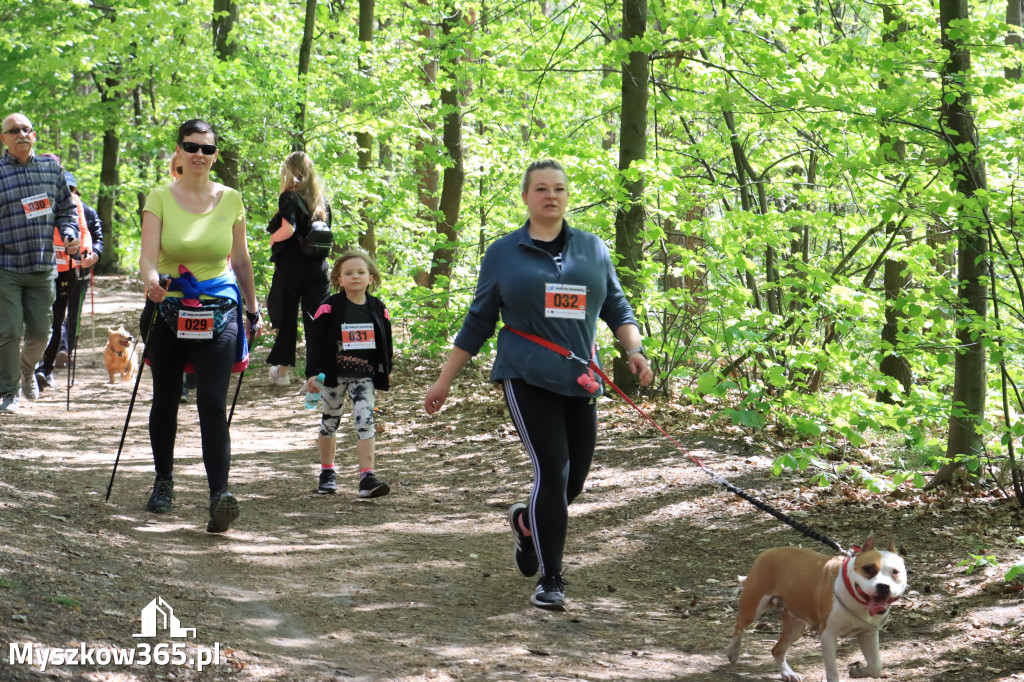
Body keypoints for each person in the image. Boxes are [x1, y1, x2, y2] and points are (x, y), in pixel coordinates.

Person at [424, 160, 653, 611]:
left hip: (581, 376)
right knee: (553, 470)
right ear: (526, 197)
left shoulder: (593, 248)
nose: (552, 196)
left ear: (568, 197)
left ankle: (527, 522)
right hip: (525, 373)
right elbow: (479, 322)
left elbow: (618, 308)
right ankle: (552, 579)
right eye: (542, 189)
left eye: (560, 189)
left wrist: (634, 350)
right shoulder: (503, 253)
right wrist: (444, 381)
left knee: (575, 479)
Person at [139, 118, 262, 533]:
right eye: (191, 146)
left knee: (212, 402)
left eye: (207, 149)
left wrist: (253, 309)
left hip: (220, 309)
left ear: (215, 156)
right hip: (169, 307)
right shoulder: (159, 197)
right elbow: (148, 256)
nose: (199, 155)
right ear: (179, 150)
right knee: (166, 398)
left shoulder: (231, 199)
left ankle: (219, 496)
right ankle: (163, 483)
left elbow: (241, 260)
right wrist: (151, 282)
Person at [0, 113, 80, 413]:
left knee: (41, 333)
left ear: (34, 135)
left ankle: (25, 369)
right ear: (3, 139)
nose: (21, 134)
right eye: (14, 131)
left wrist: (70, 234)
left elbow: (66, 211)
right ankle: (8, 392)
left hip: (43, 266)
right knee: (9, 332)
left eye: (26, 129)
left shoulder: (51, 169)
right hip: (6, 266)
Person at [304, 249, 392, 498]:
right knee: (330, 420)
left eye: (361, 272)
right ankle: (327, 472)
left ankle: (367, 477)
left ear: (371, 278)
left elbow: (387, 343)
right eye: (349, 273)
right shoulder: (329, 307)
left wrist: (387, 370)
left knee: (366, 420)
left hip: (363, 376)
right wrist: (312, 373)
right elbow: (315, 342)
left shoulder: (378, 308)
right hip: (332, 376)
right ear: (339, 280)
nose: (355, 277)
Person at [265, 151, 331, 386]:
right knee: (317, 319)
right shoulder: (322, 203)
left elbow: (289, 229)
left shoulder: (289, 198)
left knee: (287, 317)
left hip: (291, 270)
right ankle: (316, 374)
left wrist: (273, 239)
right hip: (318, 270)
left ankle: (282, 372)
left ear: (289, 171)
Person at [35, 169, 100, 390]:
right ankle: (31, 364)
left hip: (66, 269)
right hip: (39, 268)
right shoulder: (37, 196)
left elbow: (83, 228)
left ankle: (45, 369)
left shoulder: (74, 200)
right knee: (37, 318)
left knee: (57, 319)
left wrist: (86, 251)